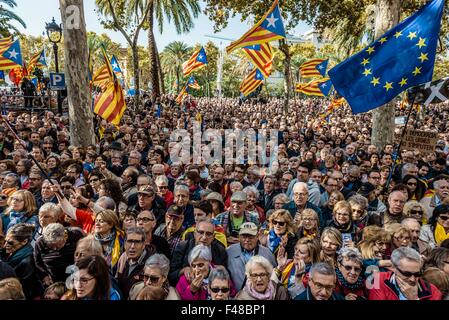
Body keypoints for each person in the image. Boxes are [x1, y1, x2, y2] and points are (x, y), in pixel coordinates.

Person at [169, 218, 227, 286]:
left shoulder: (220, 250)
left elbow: (227, 276)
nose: (204, 237)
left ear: (213, 237)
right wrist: (183, 270)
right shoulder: (183, 247)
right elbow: (171, 276)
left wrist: (218, 269)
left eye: (208, 234)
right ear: (194, 234)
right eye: (201, 232)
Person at [368, 247, 442, 300]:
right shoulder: (378, 280)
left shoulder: (433, 291)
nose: (412, 279)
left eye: (417, 274)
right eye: (407, 274)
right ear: (394, 268)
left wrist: (414, 298)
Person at [226, 222, 276, 291]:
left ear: (257, 236)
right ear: (239, 237)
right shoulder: (230, 252)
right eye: (244, 237)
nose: (247, 240)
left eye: (250, 237)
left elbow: (273, 276)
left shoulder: (267, 253)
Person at [2, 223, 43, 299]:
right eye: (5, 241)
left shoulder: (27, 262)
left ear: (24, 241)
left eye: (10, 243)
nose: (5, 245)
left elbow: (23, 289)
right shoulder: (10, 252)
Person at [115, 226, 153, 299]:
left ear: (144, 244)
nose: (132, 246)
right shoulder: (123, 257)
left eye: (137, 242)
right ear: (125, 243)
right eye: (129, 241)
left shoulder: (152, 263)